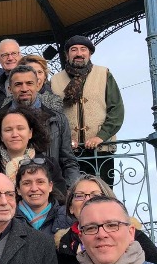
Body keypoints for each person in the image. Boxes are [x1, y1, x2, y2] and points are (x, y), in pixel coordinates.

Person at [54, 174, 157, 264]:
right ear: (71, 207)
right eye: (79, 196)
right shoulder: (62, 245)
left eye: (95, 195)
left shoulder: (133, 236)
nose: (87, 200)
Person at [51, 36, 125, 186]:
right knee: (73, 193)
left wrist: (101, 136)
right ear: (67, 54)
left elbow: (116, 109)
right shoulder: (55, 80)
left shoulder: (104, 74)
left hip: (101, 150)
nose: (79, 53)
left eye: (83, 49)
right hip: (69, 152)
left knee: (102, 192)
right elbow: (52, 114)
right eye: (74, 50)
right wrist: (65, 140)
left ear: (90, 53)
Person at [4, 65, 80, 186]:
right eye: (18, 84)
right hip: (8, 190)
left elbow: (68, 161)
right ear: (10, 88)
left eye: (29, 83)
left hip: (50, 189)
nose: (24, 89)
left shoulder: (57, 119)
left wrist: (70, 190)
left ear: (38, 85)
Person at [0, 106, 67, 201]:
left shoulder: (50, 165)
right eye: (8, 130)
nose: (15, 134)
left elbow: (60, 201)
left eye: (20, 128)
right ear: (1, 136)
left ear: (30, 133)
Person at [16, 159, 73, 241]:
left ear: (50, 186)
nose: (34, 188)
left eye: (40, 182)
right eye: (27, 183)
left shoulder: (68, 217)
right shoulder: (7, 219)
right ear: (18, 189)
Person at [0, 38, 22, 111]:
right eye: (4, 55)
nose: (10, 58)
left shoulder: (36, 78)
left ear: (20, 56)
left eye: (14, 53)